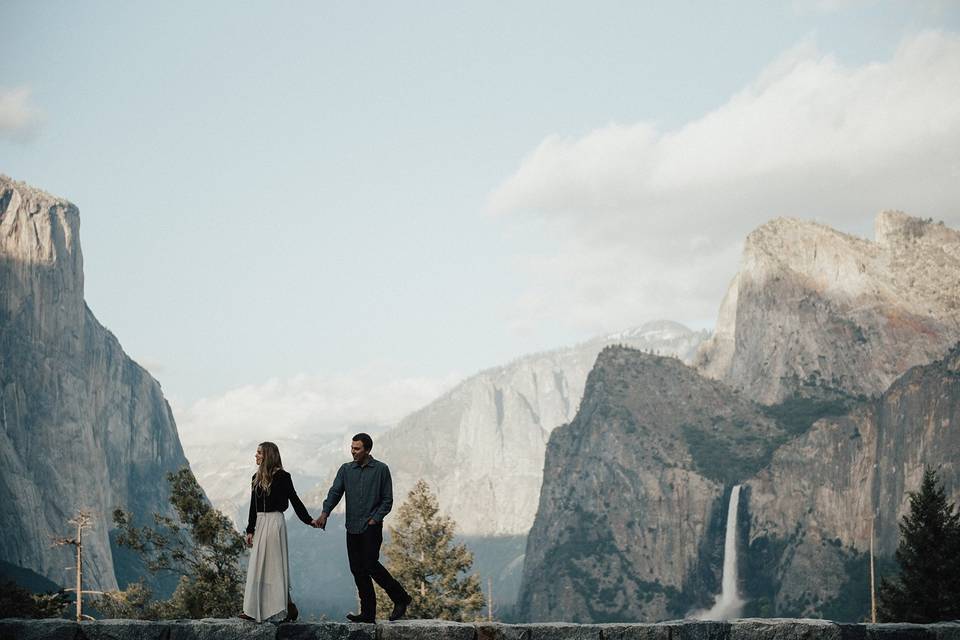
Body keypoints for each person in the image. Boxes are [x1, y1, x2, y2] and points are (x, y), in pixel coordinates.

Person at [313, 433, 411, 623]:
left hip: (371, 527)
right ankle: (368, 614)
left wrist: (375, 519)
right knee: (357, 569)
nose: (353, 452)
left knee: (371, 565)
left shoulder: (381, 469)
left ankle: (400, 598)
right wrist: (325, 513)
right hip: (352, 527)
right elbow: (335, 492)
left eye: (357, 449)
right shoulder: (346, 469)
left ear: (367, 450)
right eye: (352, 448)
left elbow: (387, 500)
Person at [240, 441, 315, 623]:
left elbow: (295, 501)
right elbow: (253, 506)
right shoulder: (255, 478)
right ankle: (254, 609)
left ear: (268, 455)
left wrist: (309, 520)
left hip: (275, 522)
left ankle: (283, 608)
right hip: (261, 521)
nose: (256, 456)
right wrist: (250, 529)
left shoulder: (283, 477)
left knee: (274, 565)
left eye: (259, 453)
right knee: (258, 564)